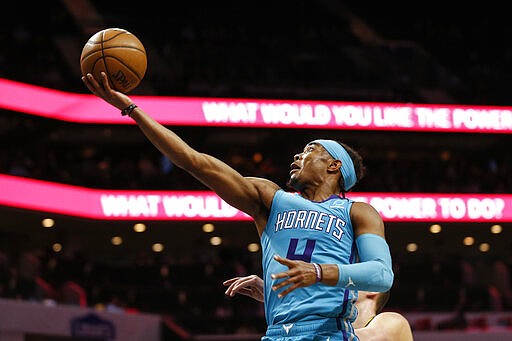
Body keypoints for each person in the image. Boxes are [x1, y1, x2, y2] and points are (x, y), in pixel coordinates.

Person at [82, 72, 394, 341]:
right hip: (278, 333)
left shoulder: (357, 212)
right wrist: (131, 109)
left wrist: (316, 272)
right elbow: (195, 162)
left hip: (329, 332)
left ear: (334, 165)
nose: (297, 157)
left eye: (309, 151)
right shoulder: (271, 200)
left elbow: (381, 275)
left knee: (395, 325)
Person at [224, 274, 413, 341]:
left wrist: (293, 303)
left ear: (373, 291)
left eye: (348, 277)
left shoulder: (393, 322)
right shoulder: (327, 329)